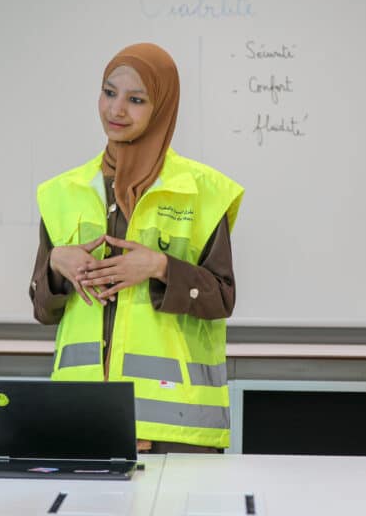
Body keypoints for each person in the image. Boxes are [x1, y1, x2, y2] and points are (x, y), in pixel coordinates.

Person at [30, 42, 243, 452]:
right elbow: (43, 308)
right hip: (82, 420)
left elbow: (222, 297)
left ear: (161, 108)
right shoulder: (64, 192)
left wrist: (161, 267)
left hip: (176, 431)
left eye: (136, 100)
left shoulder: (202, 192)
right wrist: (56, 264)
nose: (116, 110)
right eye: (109, 93)